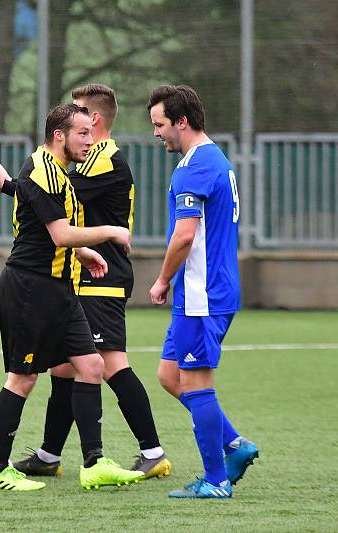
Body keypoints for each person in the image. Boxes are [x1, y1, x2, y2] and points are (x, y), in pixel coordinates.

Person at [0, 84, 170, 480]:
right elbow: (58, 225)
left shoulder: (91, 163)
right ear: (60, 135)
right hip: (37, 284)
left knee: (95, 365)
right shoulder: (49, 169)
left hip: (72, 281)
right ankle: (1, 468)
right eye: (80, 131)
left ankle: (98, 462)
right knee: (39, 375)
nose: (88, 137)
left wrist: (85, 247)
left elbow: (57, 216)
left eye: (89, 128)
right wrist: (105, 236)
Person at [147, 84, 258, 499]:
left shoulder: (194, 167)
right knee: (169, 375)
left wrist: (161, 280)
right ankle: (235, 446)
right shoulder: (214, 160)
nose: (156, 133)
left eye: (160, 124)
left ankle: (216, 480)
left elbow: (184, 236)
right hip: (207, 291)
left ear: (182, 121)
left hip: (202, 295)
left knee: (194, 382)